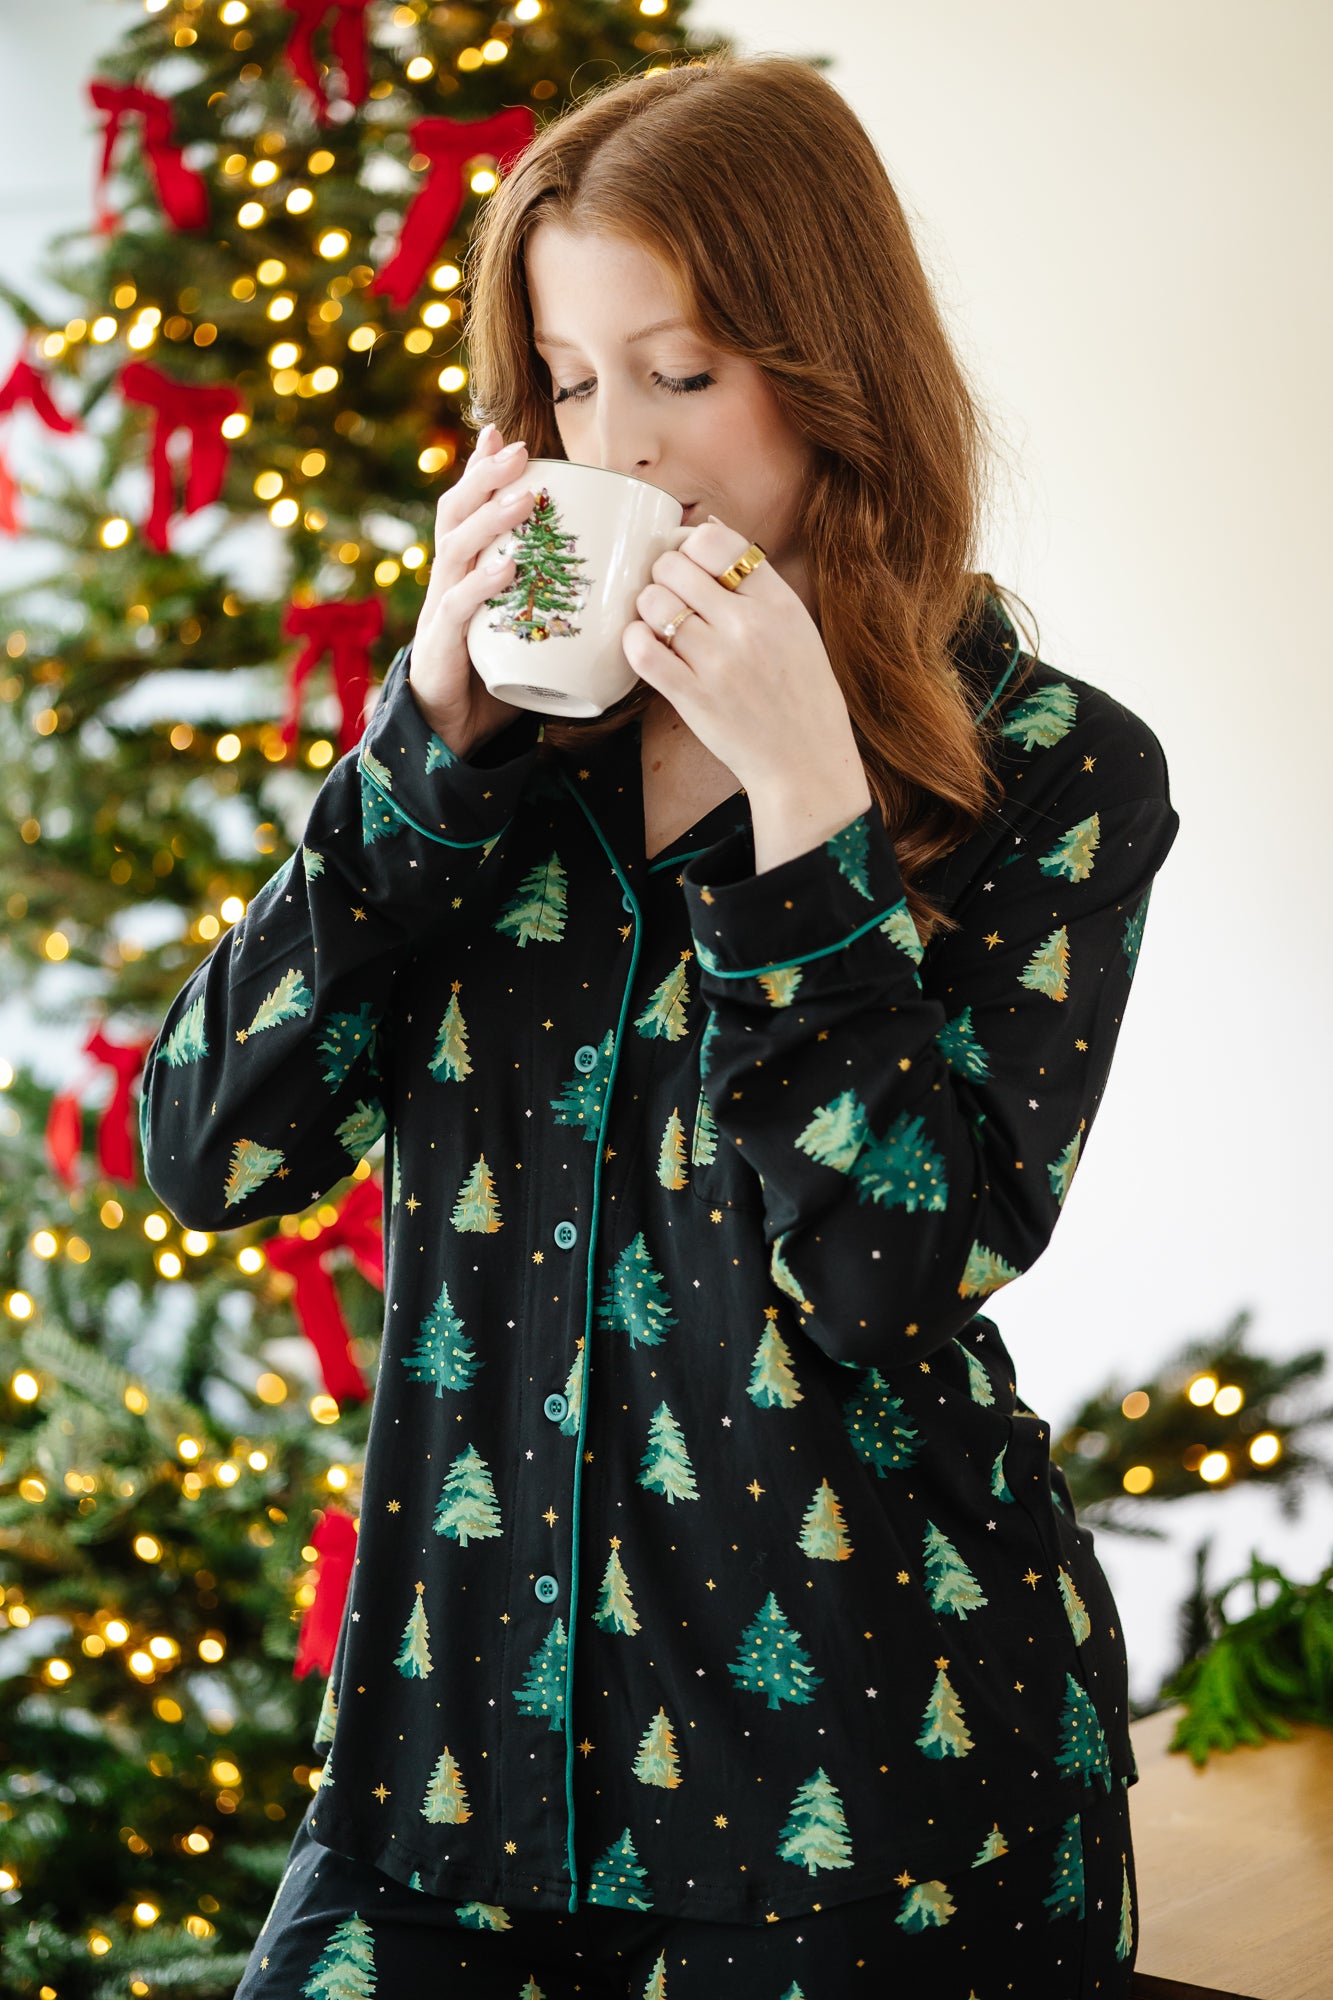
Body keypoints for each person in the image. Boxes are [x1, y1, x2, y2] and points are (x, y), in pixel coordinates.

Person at [141, 49, 1180, 2000]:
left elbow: (894, 1268)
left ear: (832, 367)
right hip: (444, 1778)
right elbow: (213, 1147)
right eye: (565, 377)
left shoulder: (1049, 771)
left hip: (870, 1796)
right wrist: (421, 752)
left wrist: (806, 824)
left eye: (681, 373)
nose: (615, 445)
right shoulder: (485, 766)